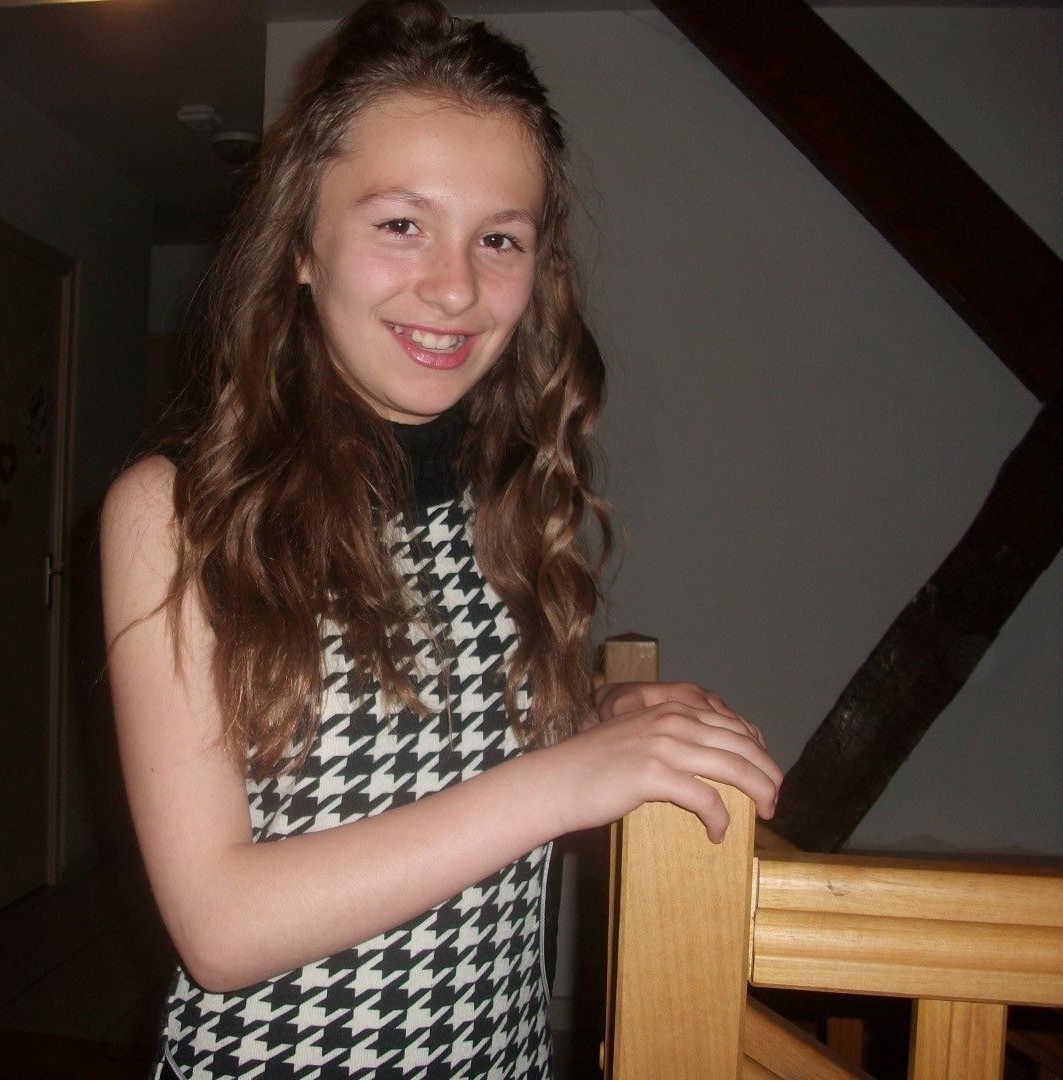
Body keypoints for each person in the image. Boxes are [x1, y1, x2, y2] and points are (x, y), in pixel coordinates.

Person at [100, 1, 782, 1075]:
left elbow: (447, 760)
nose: (456, 287)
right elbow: (220, 927)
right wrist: (570, 781)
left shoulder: (514, 489)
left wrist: (596, 721)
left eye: (498, 239)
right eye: (401, 224)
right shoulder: (176, 514)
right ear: (301, 247)